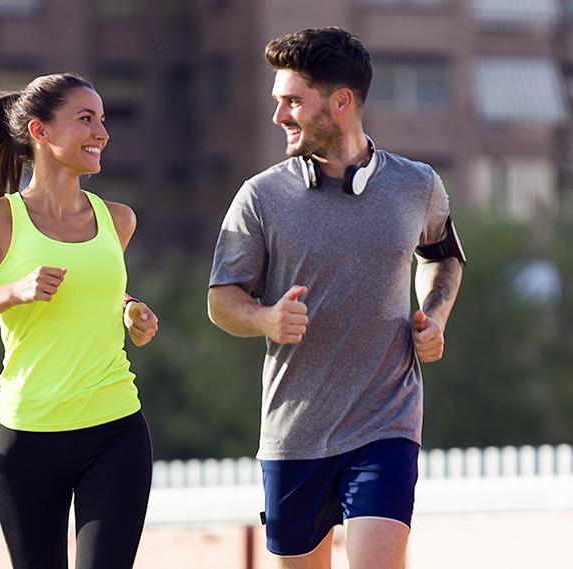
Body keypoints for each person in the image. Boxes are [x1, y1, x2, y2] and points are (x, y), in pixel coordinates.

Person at [206, 27, 465, 569]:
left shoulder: (417, 185)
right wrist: (266, 319)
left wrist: (433, 315)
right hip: (293, 433)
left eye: (293, 101)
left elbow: (441, 256)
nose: (280, 115)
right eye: (278, 101)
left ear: (341, 102)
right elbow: (221, 301)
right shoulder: (261, 196)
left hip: (386, 424)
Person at [0, 73, 158, 569]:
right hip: (27, 440)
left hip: (116, 432)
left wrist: (130, 307)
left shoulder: (118, 219)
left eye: (103, 120)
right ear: (40, 131)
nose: (102, 133)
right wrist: (10, 293)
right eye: (85, 119)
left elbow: (92, 290)